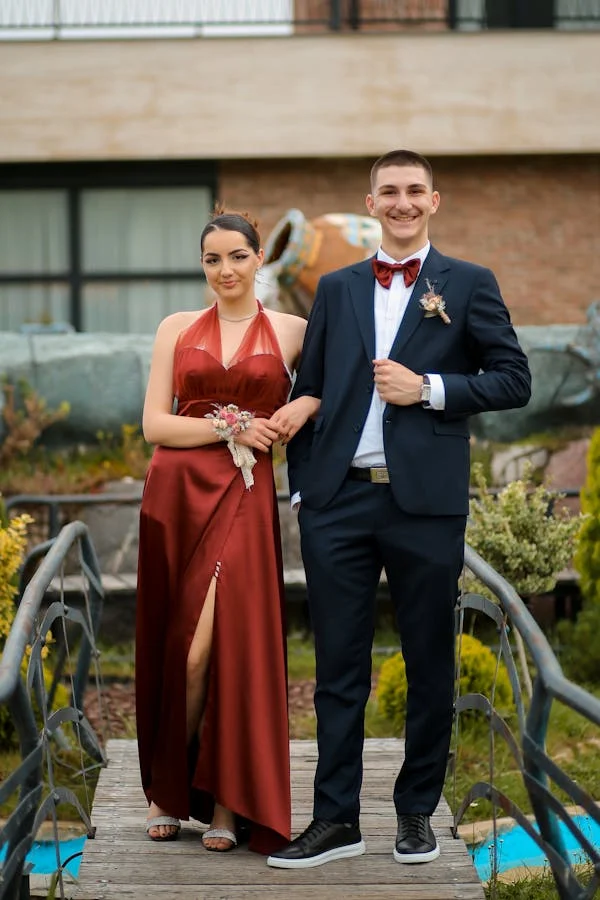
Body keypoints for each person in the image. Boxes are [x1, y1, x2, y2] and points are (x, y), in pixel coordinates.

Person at [267, 149, 531, 869]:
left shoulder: (469, 284)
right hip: (338, 502)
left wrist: (433, 389)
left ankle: (416, 815)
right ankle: (335, 821)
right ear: (371, 201)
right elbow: (310, 386)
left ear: (434, 201)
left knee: (429, 664)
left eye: (415, 190)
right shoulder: (337, 287)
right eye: (391, 191)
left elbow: (514, 380)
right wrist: (304, 491)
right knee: (337, 670)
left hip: (425, 506)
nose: (404, 201)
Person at [135, 208, 319, 855]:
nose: (225, 270)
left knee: (222, 646)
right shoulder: (176, 328)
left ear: (257, 258)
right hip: (176, 494)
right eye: (213, 259)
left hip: (244, 495)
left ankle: (227, 802)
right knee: (178, 648)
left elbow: (342, 377)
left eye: (237, 256)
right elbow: (155, 425)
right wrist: (229, 426)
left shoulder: (294, 329)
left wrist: (299, 404)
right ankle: (168, 791)